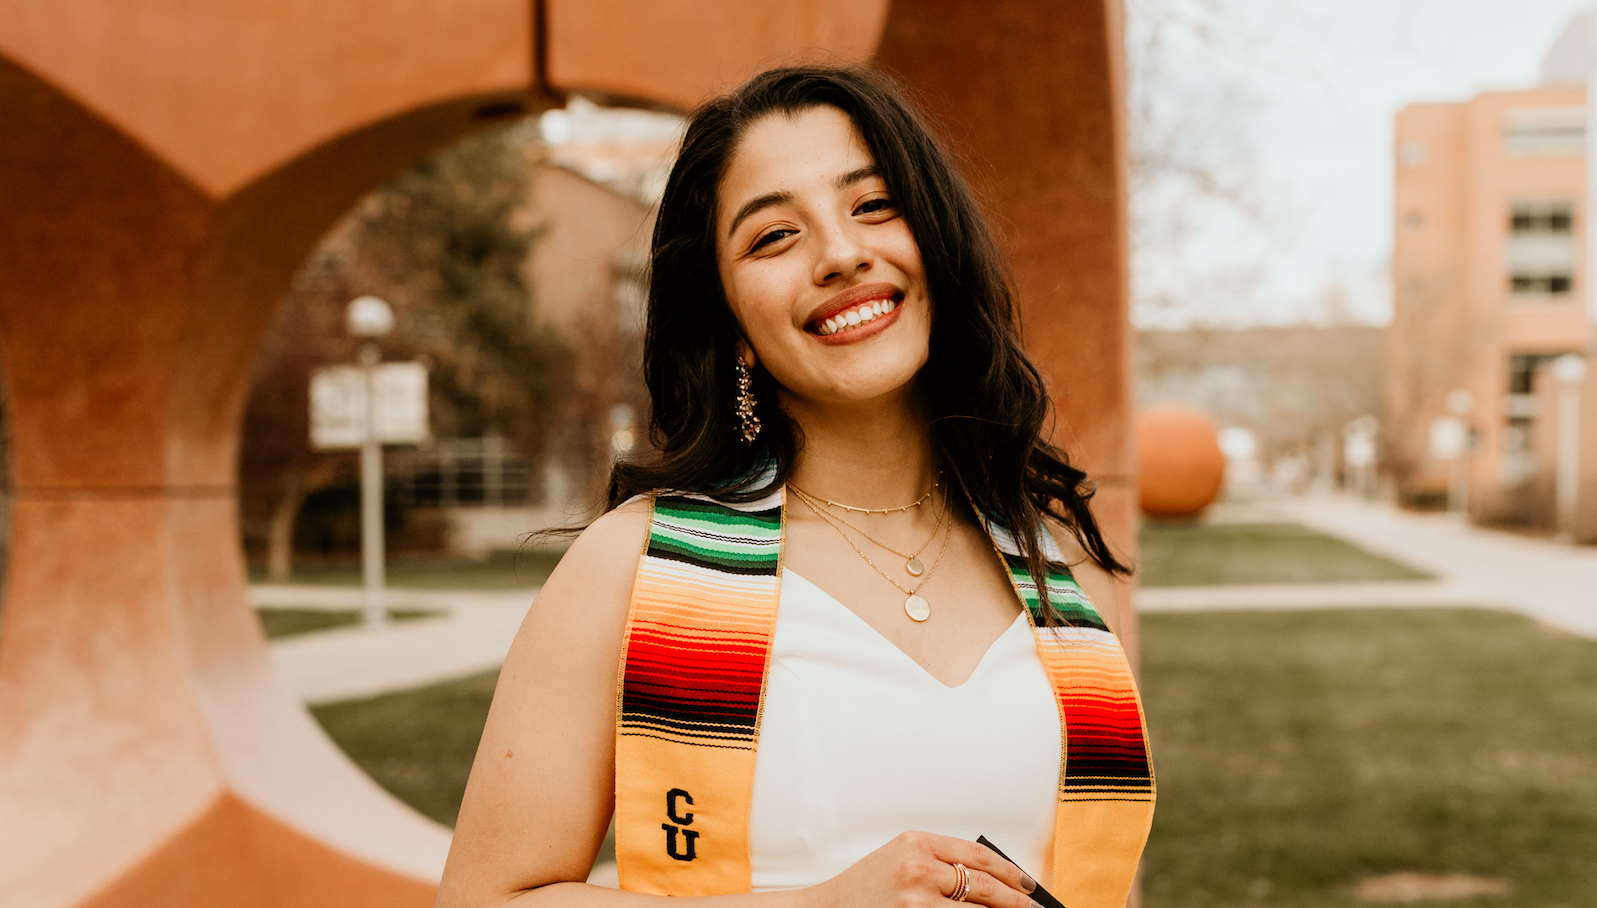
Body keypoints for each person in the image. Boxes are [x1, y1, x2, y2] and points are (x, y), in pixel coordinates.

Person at [436, 65, 1154, 908]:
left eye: (874, 205)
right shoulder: (638, 567)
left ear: (938, 245)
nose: (842, 254)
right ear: (729, 320)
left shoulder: (1056, 563)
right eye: (773, 236)